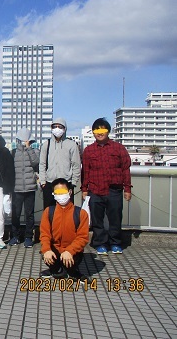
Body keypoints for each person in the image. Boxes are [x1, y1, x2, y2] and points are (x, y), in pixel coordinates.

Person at [81, 118, 132, 255]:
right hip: (95, 190)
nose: (99, 132)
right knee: (97, 219)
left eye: (102, 129)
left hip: (114, 189)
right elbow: (85, 171)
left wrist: (127, 189)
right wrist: (84, 189)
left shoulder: (119, 148)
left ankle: (115, 242)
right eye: (96, 130)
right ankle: (100, 243)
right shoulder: (88, 150)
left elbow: (125, 169)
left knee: (115, 217)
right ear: (93, 132)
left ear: (108, 131)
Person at [39, 178, 89, 281]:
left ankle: (72, 271)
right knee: (48, 256)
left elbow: (82, 238)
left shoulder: (81, 213)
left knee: (71, 265)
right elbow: (44, 234)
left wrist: (70, 251)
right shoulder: (48, 211)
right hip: (55, 250)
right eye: (57, 193)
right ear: (53, 194)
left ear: (70, 192)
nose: (61, 195)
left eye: (63, 192)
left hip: (72, 252)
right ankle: (55, 269)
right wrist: (46, 250)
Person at [39, 117, 81, 209]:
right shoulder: (46, 144)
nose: (57, 129)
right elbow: (42, 164)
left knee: (66, 211)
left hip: (66, 183)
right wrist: (43, 182)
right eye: (54, 126)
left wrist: (73, 182)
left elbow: (76, 165)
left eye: (60, 126)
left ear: (65, 129)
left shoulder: (71, 144)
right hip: (49, 183)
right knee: (49, 211)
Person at [10, 127, 40, 248]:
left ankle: (28, 237)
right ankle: (15, 236)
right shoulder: (13, 152)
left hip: (30, 187)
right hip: (16, 188)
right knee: (15, 214)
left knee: (29, 214)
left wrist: (29, 148)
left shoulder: (35, 150)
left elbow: (36, 163)